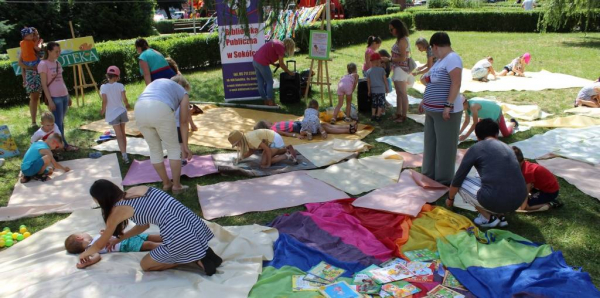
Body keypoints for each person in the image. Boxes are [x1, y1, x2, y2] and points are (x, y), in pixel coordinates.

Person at [77, 180, 223, 275]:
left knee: (146, 265)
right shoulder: (138, 189)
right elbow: (143, 226)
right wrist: (118, 240)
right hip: (193, 224)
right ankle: (200, 252)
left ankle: (193, 259)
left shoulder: (117, 211)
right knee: (168, 243)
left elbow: (100, 243)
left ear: (102, 199)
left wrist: (84, 254)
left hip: (180, 235)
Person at [448, 119, 527, 228]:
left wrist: (450, 199)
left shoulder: (476, 148)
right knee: (487, 176)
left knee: (462, 182)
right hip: (519, 199)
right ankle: (500, 215)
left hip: (496, 199)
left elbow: (458, 179)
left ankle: (488, 218)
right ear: (496, 134)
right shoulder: (508, 148)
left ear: (478, 137)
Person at [419, 32, 464, 185]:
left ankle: (443, 179)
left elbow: (456, 83)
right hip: (432, 110)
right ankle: (428, 174)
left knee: (445, 146)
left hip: (445, 112)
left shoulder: (453, 59)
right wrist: (424, 100)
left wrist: (448, 105)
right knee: (430, 143)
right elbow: (429, 82)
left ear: (436, 46)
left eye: (432, 49)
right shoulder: (440, 61)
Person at [134, 76, 192, 194]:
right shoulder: (183, 92)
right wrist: (185, 146)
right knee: (174, 149)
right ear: (183, 85)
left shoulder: (160, 84)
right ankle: (177, 186)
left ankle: (166, 183)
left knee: (155, 150)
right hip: (159, 108)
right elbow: (184, 122)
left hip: (139, 108)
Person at [38, 41, 78, 152]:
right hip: (54, 97)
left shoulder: (57, 63)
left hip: (64, 95)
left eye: (59, 51)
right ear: (49, 51)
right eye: (56, 51)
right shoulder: (43, 64)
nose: (58, 53)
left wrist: (68, 95)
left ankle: (60, 144)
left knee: (60, 122)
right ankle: (63, 145)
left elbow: (62, 80)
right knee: (57, 123)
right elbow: (44, 85)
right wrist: (50, 100)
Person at [65, 231, 163, 269]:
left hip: (126, 236)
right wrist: (87, 263)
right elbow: (97, 256)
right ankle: (170, 246)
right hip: (124, 244)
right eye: (82, 233)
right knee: (149, 244)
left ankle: (173, 237)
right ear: (79, 238)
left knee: (150, 237)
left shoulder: (94, 239)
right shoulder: (90, 249)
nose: (85, 233)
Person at [512, 146, 562, 212]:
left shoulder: (527, 173)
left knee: (527, 205)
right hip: (540, 188)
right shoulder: (524, 165)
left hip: (550, 192)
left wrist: (522, 207)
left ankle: (551, 203)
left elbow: (525, 193)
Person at [100, 66, 131, 164]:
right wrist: (127, 105)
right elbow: (125, 99)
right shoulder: (120, 85)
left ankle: (124, 155)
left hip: (113, 114)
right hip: (122, 111)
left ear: (108, 75)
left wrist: (102, 110)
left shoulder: (103, 87)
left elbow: (104, 101)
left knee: (119, 136)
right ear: (117, 76)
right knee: (123, 134)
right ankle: (125, 152)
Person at [252, 38, 296, 106]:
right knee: (270, 82)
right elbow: (281, 64)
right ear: (289, 46)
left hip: (255, 61)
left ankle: (265, 100)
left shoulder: (277, 42)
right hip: (262, 63)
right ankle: (270, 101)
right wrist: (290, 72)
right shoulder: (281, 47)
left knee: (260, 82)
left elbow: (268, 54)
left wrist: (274, 64)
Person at [387, 19, 414, 123]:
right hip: (398, 68)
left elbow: (403, 58)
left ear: (397, 28)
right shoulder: (401, 39)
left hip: (401, 69)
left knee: (402, 93)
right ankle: (399, 113)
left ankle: (403, 115)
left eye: (391, 29)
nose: (390, 31)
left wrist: (389, 59)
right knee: (399, 92)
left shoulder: (402, 40)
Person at [227, 129, 297, 168]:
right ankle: (285, 149)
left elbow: (268, 150)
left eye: (236, 144)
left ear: (240, 141)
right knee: (264, 160)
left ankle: (286, 156)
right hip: (273, 139)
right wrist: (240, 158)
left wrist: (268, 164)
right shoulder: (247, 139)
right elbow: (251, 151)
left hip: (274, 140)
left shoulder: (251, 139)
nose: (237, 146)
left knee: (264, 163)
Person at [18, 27, 43, 127]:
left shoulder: (40, 45)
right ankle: (33, 122)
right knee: (34, 97)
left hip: (43, 73)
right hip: (32, 74)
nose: (36, 36)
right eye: (33, 34)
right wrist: (30, 68)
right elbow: (20, 63)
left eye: (36, 34)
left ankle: (52, 119)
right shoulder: (26, 46)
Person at [166, 57, 199, 131]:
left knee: (183, 109)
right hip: (182, 89)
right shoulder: (176, 74)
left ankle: (190, 121)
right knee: (184, 108)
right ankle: (191, 121)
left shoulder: (175, 76)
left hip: (181, 89)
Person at [254, 118, 357, 139]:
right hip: (299, 127)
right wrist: (296, 135)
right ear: (266, 126)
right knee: (325, 128)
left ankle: (349, 126)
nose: (268, 120)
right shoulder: (273, 129)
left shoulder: (274, 124)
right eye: (266, 121)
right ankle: (348, 130)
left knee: (324, 125)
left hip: (298, 124)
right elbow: (284, 133)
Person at [366, 53, 389, 122]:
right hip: (381, 90)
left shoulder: (368, 71)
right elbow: (385, 80)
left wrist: (369, 90)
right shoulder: (382, 70)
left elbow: (368, 82)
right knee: (380, 103)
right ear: (379, 61)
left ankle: (373, 115)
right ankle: (378, 116)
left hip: (373, 90)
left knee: (374, 103)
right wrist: (387, 88)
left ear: (371, 62)